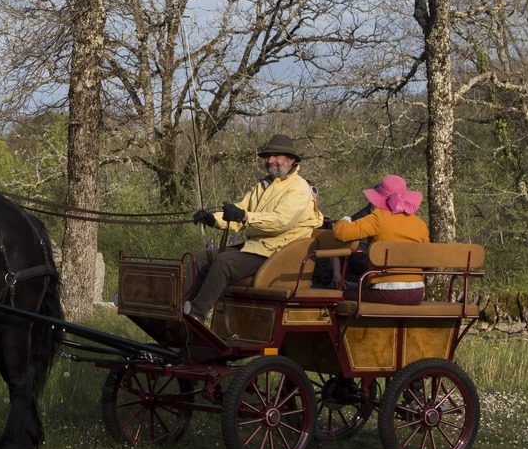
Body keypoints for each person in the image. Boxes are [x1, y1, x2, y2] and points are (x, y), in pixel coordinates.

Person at [183, 133, 323, 324]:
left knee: (224, 263)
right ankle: (179, 307)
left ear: (291, 161)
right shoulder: (262, 186)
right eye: (268, 156)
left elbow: (280, 221)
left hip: (278, 252)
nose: (270, 160)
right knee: (197, 259)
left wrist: (244, 216)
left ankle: (196, 316)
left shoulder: (298, 188)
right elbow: (239, 211)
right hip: (256, 247)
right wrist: (212, 219)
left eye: (276, 156)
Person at [331, 174, 429, 304]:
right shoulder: (420, 224)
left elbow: (340, 233)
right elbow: (428, 260)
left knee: (340, 295)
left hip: (384, 291)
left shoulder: (378, 217)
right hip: (416, 294)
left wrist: (345, 219)